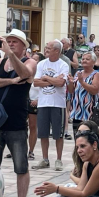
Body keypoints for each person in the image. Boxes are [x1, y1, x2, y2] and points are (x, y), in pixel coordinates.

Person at [0, 29, 38, 197]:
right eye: (8, 41)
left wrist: (10, 55)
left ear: (24, 46)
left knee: (21, 166)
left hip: (16, 123)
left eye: (15, 42)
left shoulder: (29, 61)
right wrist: (9, 81)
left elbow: (26, 74)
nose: (11, 44)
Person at [33, 39, 68, 171]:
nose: (46, 50)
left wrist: (46, 78)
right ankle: (45, 158)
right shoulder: (41, 64)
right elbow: (36, 82)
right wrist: (53, 80)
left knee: (58, 133)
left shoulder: (63, 65)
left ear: (57, 51)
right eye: (46, 47)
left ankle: (58, 160)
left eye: (49, 48)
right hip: (43, 103)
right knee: (42, 133)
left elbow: (61, 83)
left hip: (58, 103)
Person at [68, 51, 99, 131]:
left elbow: (94, 90)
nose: (84, 61)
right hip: (77, 112)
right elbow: (71, 91)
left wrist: (82, 82)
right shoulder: (78, 73)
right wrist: (70, 82)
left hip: (89, 112)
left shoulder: (97, 75)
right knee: (77, 136)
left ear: (93, 62)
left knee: (88, 137)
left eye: (87, 59)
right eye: (83, 59)